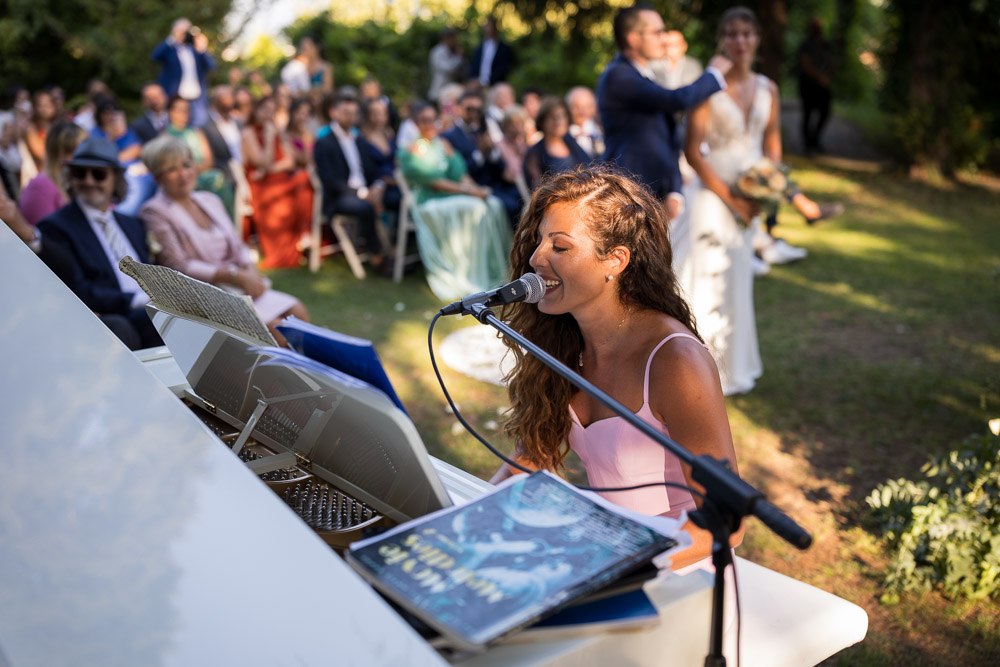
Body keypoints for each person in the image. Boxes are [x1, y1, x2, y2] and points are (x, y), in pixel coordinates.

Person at [491, 165, 743, 570]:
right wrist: (471, 514)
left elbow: (726, 523)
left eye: (560, 247)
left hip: (675, 572)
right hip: (605, 557)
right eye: (539, 241)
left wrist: (614, 570)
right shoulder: (566, 343)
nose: (536, 258)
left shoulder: (675, 361)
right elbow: (531, 458)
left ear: (615, 260)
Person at [138, 136, 308, 341]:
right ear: (158, 177)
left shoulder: (209, 200)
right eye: (172, 169)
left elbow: (238, 244)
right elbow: (177, 265)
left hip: (238, 287)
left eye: (186, 165)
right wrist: (233, 276)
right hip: (205, 295)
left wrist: (250, 270)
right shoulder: (155, 211)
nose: (183, 174)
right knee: (276, 330)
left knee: (297, 313)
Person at [683, 6, 772, 395]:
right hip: (711, 196)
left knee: (736, 280)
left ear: (756, 39)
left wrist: (768, 190)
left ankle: (731, 365)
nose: (739, 41)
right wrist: (731, 199)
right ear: (723, 39)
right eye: (732, 34)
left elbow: (772, 147)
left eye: (746, 34)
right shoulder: (709, 85)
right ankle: (694, 371)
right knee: (704, 279)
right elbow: (692, 151)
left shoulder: (769, 87)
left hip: (751, 201)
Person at [597, 4, 730, 221]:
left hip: (654, 193)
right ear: (633, 39)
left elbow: (668, 137)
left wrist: (674, 190)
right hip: (628, 195)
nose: (665, 39)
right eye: (657, 32)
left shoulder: (644, 75)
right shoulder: (618, 76)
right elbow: (676, 100)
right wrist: (713, 73)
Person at [36, 137, 162, 349]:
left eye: (98, 174)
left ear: (115, 180)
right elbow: (77, 287)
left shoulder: (131, 224)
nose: (88, 181)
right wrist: (135, 299)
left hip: (149, 309)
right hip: (109, 316)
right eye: (80, 173)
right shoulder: (57, 226)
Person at [397, 102, 512, 300]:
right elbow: (433, 182)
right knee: (474, 207)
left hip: (454, 195)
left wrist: (475, 188)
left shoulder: (444, 144)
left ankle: (497, 268)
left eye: (432, 120)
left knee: (493, 203)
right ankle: (470, 272)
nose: (430, 124)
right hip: (430, 200)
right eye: (424, 121)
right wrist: (468, 191)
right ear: (416, 123)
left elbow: (460, 173)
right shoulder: (410, 150)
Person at [314, 94, 390, 274]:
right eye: (346, 113)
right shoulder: (324, 142)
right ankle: (377, 258)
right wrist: (362, 193)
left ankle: (392, 250)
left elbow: (371, 170)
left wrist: (378, 185)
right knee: (366, 207)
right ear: (334, 113)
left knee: (394, 198)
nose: (350, 118)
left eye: (354, 113)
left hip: (365, 191)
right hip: (339, 197)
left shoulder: (358, 139)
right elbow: (330, 180)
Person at [241, 94, 313, 269]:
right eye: (265, 110)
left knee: (304, 179)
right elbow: (261, 161)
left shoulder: (277, 131)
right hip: (262, 186)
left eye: (272, 111)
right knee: (301, 182)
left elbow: (290, 161)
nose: (268, 115)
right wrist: (267, 139)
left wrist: (268, 169)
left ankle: (304, 232)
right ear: (256, 109)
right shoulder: (249, 133)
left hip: (278, 180)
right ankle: (303, 235)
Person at [442, 91, 522, 224]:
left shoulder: (482, 131)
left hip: (495, 183)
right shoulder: (449, 137)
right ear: (459, 108)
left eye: (477, 110)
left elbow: (496, 168)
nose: (474, 113)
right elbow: (458, 171)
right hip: (473, 187)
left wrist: (492, 153)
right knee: (510, 206)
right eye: (469, 109)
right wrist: (480, 154)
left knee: (524, 197)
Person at [164, 95, 231, 213]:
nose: (184, 114)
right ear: (170, 112)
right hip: (184, 178)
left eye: (187, 110)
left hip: (202, 174)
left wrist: (195, 168)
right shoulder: (165, 137)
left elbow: (209, 161)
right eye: (180, 110)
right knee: (215, 179)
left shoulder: (196, 133)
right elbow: (172, 166)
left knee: (217, 177)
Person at [18, 121, 87, 225]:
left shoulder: (89, 181)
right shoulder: (40, 186)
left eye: (83, 150)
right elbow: (45, 235)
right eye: (69, 151)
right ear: (54, 153)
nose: (77, 157)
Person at [151, 18, 215, 128]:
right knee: (175, 128)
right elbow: (154, 57)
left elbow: (211, 66)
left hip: (196, 100)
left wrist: (203, 48)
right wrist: (172, 39)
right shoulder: (170, 49)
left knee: (199, 130)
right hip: (175, 98)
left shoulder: (195, 50)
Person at [522, 97, 590, 191]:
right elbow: (536, 190)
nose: (558, 121)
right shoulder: (534, 153)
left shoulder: (572, 144)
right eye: (552, 116)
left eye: (562, 115)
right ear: (542, 120)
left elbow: (589, 169)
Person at [797, 17, 835, 155]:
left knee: (825, 113)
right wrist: (819, 76)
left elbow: (832, 62)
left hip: (822, 85)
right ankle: (808, 145)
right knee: (808, 114)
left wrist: (826, 77)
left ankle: (815, 140)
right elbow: (804, 62)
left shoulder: (826, 44)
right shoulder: (806, 44)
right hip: (808, 85)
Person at [468, 17, 515, 89]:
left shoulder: (503, 49)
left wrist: (486, 82)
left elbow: (503, 69)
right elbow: (473, 66)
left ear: (496, 28)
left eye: (490, 26)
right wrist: (474, 80)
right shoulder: (478, 49)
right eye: (486, 26)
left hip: (495, 85)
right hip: (477, 85)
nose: (488, 29)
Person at [564, 86, 604, 159]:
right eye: (576, 107)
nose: (582, 112)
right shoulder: (562, 135)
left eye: (587, 107)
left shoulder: (602, 131)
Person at [427, 27, 465, 102]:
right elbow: (448, 69)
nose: (455, 41)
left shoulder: (449, 51)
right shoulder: (439, 52)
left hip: (449, 91)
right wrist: (458, 56)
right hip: (440, 90)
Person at [25, 89, 57, 171]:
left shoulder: (58, 126)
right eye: (41, 105)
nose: (44, 109)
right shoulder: (32, 129)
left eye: (48, 105)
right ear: (35, 107)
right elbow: (40, 154)